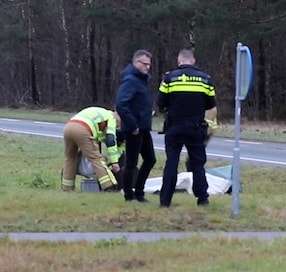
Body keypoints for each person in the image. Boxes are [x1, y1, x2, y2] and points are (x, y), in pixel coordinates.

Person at [156, 49, 217, 207]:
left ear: (179, 61)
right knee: (198, 164)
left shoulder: (170, 78)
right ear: (193, 61)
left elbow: (160, 102)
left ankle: (165, 201)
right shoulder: (205, 79)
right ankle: (202, 199)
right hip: (196, 128)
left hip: (175, 127)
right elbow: (210, 104)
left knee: (171, 163)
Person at [115, 49, 156, 203]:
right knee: (131, 162)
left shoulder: (141, 80)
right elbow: (121, 104)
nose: (147, 67)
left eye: (149, 64)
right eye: (144, 64)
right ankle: (129, 195)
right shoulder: (131, 80)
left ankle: (139, 192)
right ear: (136, 62)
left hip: (143, 127)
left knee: (150, 159)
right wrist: (132, 125)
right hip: (134, 129)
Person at [61, 106, 122, 192]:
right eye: (119, 124)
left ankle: (67, 188)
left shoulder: (102, 113)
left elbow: (99, 135)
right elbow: (110, 139)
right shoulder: (111, 118)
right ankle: (109, 187)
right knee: (96, 158)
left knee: (70, 158)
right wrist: (114, 162)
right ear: (118, 118)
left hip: (68, 127)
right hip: (83, 129)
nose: (118, 126)